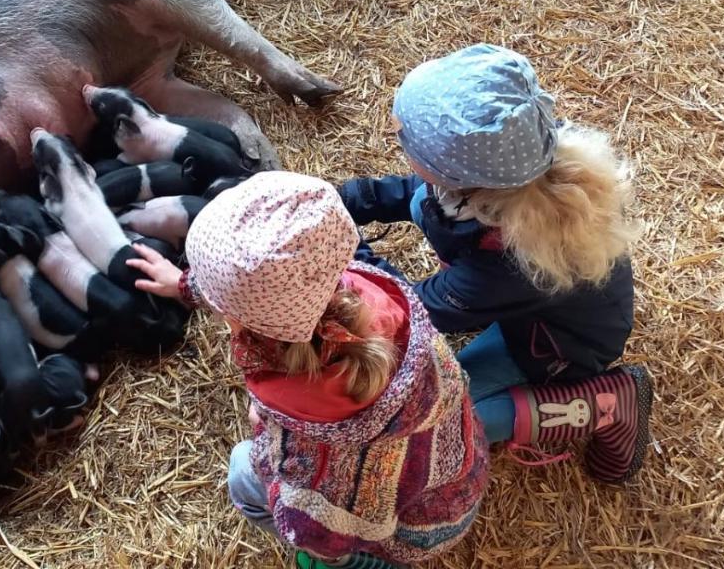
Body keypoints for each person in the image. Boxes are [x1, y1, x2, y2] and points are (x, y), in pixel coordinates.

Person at [127, 172, 488, 569]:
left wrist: (269, 435)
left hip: (415, 536)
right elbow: (260, 290)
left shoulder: (311, 477)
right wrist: (185, 285)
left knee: (242, 475)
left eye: (214, 297)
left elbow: (319, 535)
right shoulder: (362, 291)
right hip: (454, 480)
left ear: (234, 319)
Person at [337, 44, 652, 483]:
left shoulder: (514, 264)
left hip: (556, 347)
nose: (397, 131)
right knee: (416, 200)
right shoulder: (515, 163)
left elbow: (413, 310)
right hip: (517, 308)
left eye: (407, 136)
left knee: (449, 424)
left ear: (454, 175)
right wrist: (339, 203)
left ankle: (608, 402)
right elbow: (416, 190)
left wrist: (343, 251)